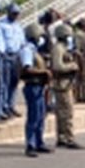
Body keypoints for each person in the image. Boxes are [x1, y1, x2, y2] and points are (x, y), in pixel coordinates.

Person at [20, 23, 53, 158]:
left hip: (39, 86)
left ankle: (39, 142)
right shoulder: (27, 50)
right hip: (32, 86)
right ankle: (31, 144)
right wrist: (43, 72)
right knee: (33, 117)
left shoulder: (35, 49)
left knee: (40, 115)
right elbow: (27, 69)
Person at [51, 24, 84, 150]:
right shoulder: (58, 49)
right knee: (67, 112)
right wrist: (72, 66)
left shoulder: (63, 48)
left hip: (66, 83)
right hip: (62, 84)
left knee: (62, 112)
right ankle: (68, 138)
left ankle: (62, 137)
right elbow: (57, 66)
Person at [0, 4, 24, 118]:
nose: (16, 15)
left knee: (14, 83)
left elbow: (22, 42)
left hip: (16, 56)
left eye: (17, 13)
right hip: (6, 56)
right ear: (8, 12)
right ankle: (4, 106)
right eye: (13, 13)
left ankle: (11, 105)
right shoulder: (1, 24)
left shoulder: (18, 26)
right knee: (5, 82)